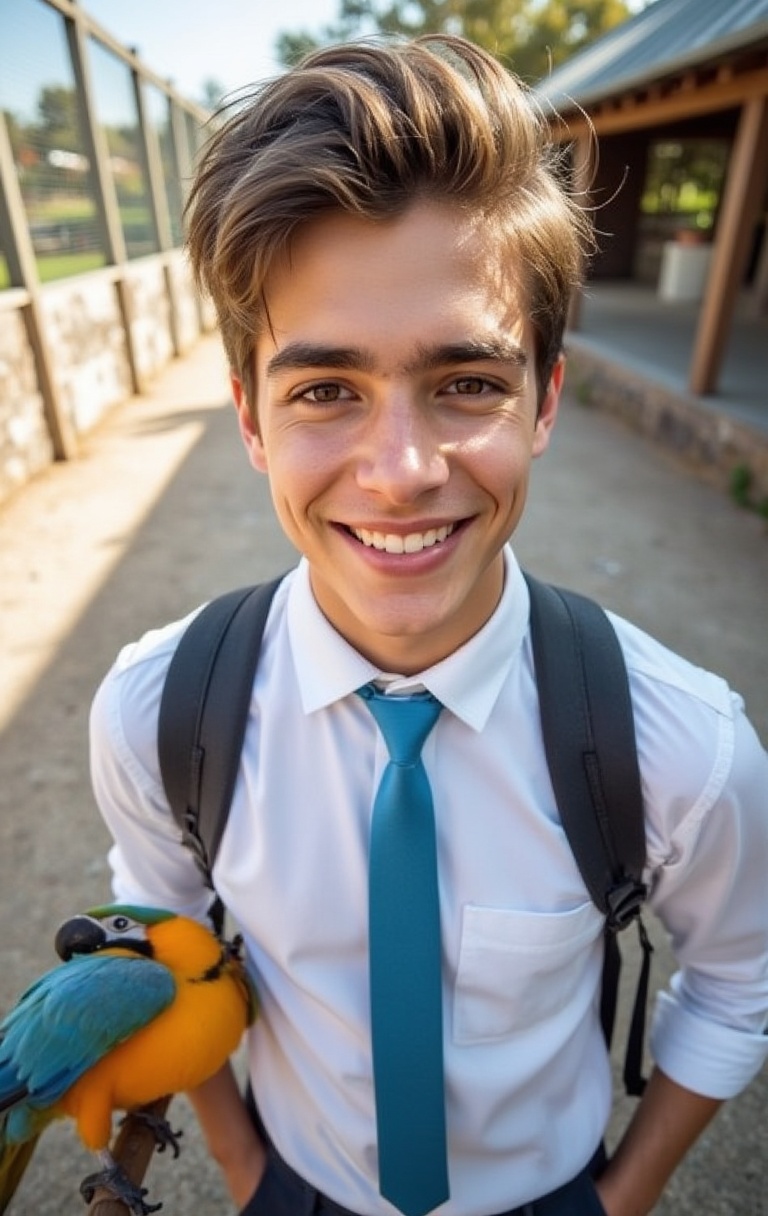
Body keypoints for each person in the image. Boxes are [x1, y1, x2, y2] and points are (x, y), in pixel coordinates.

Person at [89, 34, 768, 1216]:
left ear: (545, 398)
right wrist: (249, 1170)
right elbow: (160, 942)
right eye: (324, 390)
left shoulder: (682, 747)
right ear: (250, 419)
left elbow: (739, 974)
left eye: (467, 382)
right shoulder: (158, 716)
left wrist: (620, 1200)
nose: (401, 472)